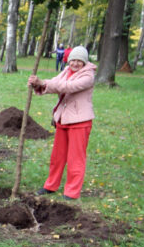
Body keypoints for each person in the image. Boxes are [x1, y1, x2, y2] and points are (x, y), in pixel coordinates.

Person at [27, 45, 96, 200]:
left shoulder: (88, 76)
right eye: (73, 60)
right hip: (63, 120)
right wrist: (38, 84)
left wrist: (43, 82)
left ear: (84, 62)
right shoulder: (66, 71)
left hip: (80, 121)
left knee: (75, 158)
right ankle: (51, 185)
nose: (75, 64)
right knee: (57, 156)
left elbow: (67, 87)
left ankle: (71, 192)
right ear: (68, 61)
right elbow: (55, 82)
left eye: (79, 61)